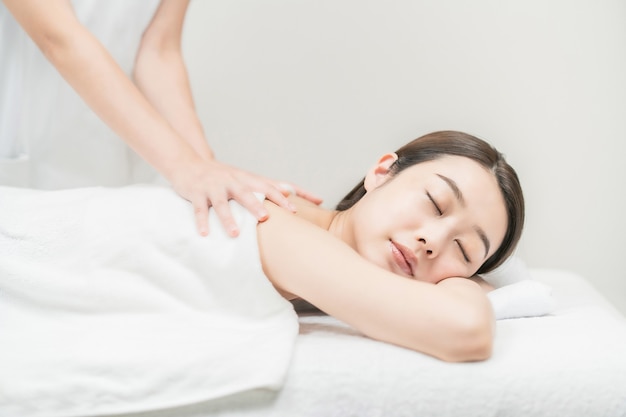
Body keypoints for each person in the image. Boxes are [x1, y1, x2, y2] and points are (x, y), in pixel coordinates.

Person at [0, 131, 525, 364]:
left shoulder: (317, 248)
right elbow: (465, 331)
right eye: (434, 204)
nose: (432, 243)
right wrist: (466, 276)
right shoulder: (280, 222)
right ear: (383, 172)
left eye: (464, 249)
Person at [0, 0, 321, 237]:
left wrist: (206, 168)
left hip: (119, 145)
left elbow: (158, 50)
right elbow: (58, 38)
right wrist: (184, 165)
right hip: (26, 147)